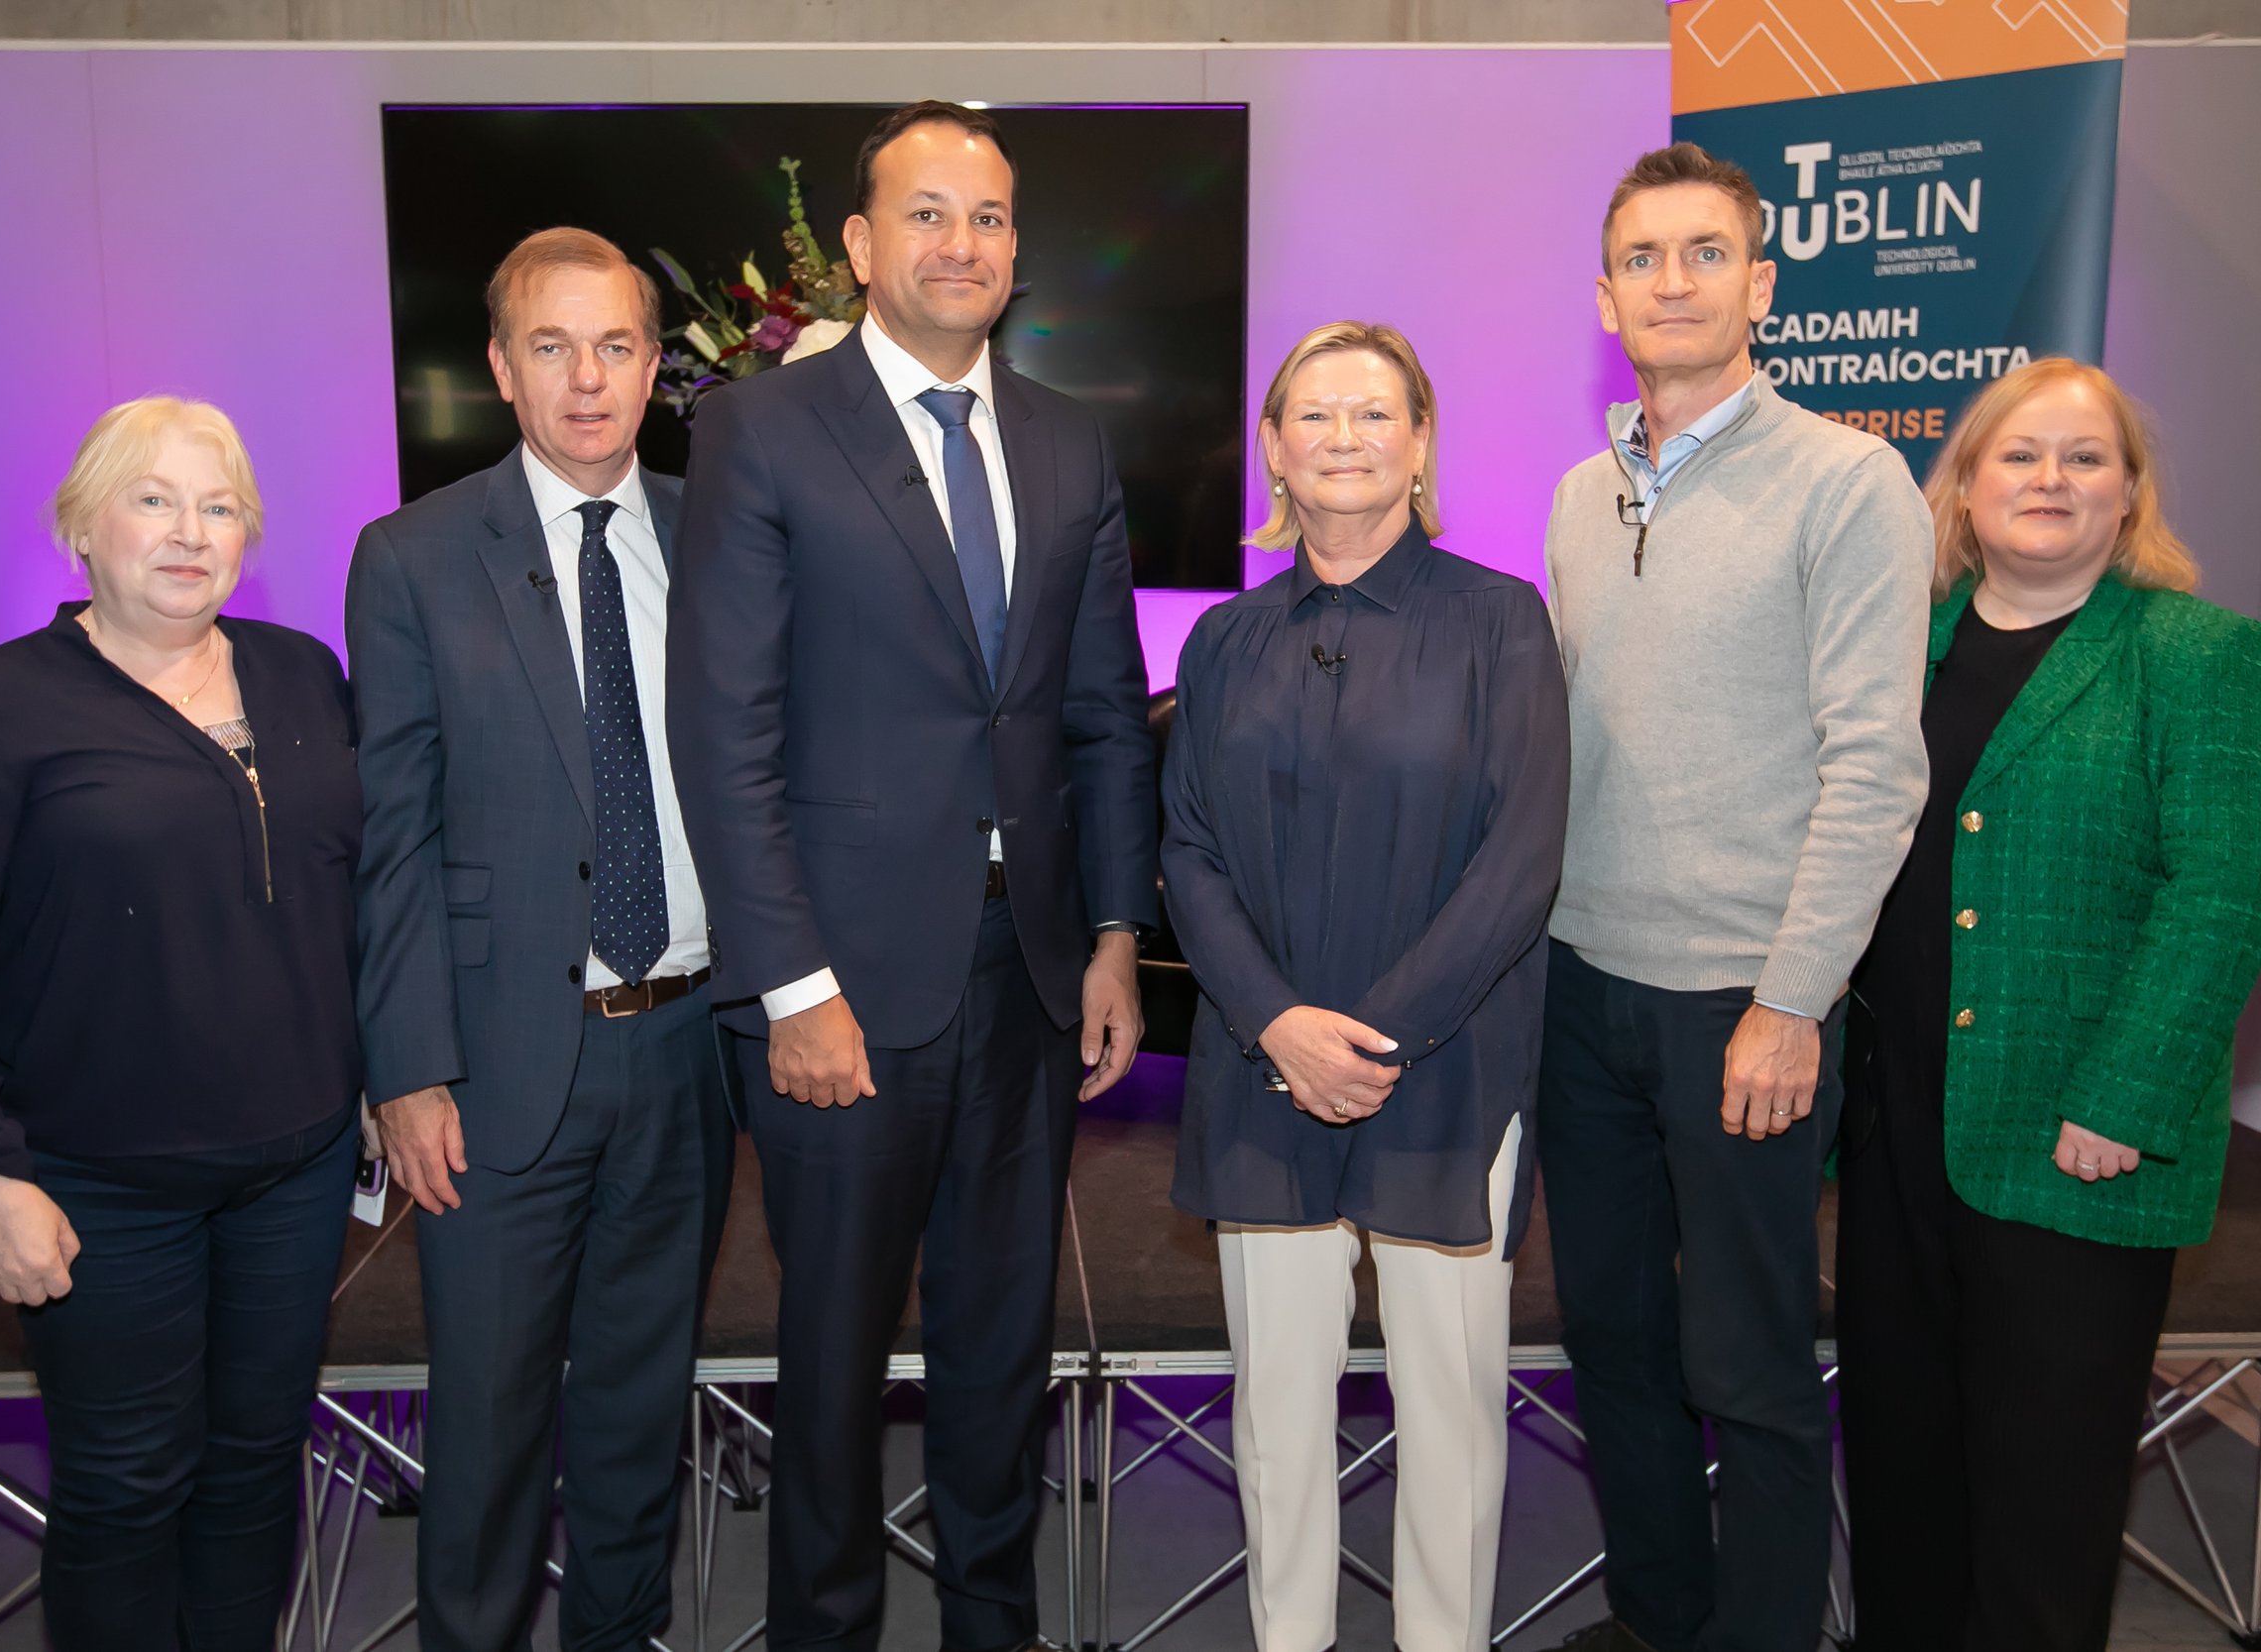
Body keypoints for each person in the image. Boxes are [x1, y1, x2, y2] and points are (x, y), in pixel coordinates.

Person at [667, 101, 1158, 1652]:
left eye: (993, 216)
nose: (964, 242)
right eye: (930, 214)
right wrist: (792, 984)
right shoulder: (760, 429)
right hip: (842, 995)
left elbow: (1099, 712)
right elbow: (722, 730)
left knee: (1000, 1345)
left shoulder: (1069, 436)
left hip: (1026, 976)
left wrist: (1113, 935)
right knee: (829, 1359)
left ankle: (991, 1628)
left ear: (1019, 251)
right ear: (864, 248)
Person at [0, 396, 361, 1650]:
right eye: (153, 499)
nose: (189, 531)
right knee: (129, 1483)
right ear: (82, 526)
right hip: (97, 1181)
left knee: (256, 1466)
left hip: (294, 1168)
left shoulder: (305, 672)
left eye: (219, 505)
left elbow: (348, 891)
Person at [1536, 143, 1935, 1652]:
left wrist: (1791, 998)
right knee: (1615, 1343)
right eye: (1646, 257)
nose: (1676, 280)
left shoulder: (1849, 480)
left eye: (1709, 253)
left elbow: (1874, 769)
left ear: (1761, 285)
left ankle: (1766, 1633)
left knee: (1750, 1359)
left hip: (1745, 1001)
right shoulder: (1580, 493)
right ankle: (1660, 1617)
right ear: (1607, 295)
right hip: (1584, 986)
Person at [1835, 358, 2261, 1652]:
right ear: (1966, 486)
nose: (2048, 479)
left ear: (2130, 491)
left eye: (2084, 457)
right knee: (1903, 1470)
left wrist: (2123, 1098)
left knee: (2046, 1493)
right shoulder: (1894, 646)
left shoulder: (2199, 653)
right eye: (2018, 455)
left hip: (2076, 1142)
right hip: (1896, 1128)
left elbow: (2227, 884)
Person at [347, 226, 732, 1652]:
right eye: (553, 348)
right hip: (499, 1064)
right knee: (494, 1430)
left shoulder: (722, 536)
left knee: (640, 1417)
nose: (588, 379)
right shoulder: (412, 557)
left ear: (656, 366)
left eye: (617, 345)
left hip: (687, 1049)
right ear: (503, 369)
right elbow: (390, 839)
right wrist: (406, 1069)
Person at [1160, 321, 1567, 1652]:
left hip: (1443, 1068)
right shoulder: (1221, 641)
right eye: (1313, 415)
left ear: (1421, 442)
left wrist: (1371, 1037)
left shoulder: (1500, 620)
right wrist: (1279, 1023)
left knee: (1450, 1405)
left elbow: (1523, 855)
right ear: (1274, 448)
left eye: (1373, 413)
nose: (1344, 437)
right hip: (1260, 1064)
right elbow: (1188, 848)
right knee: (1277, 1405)